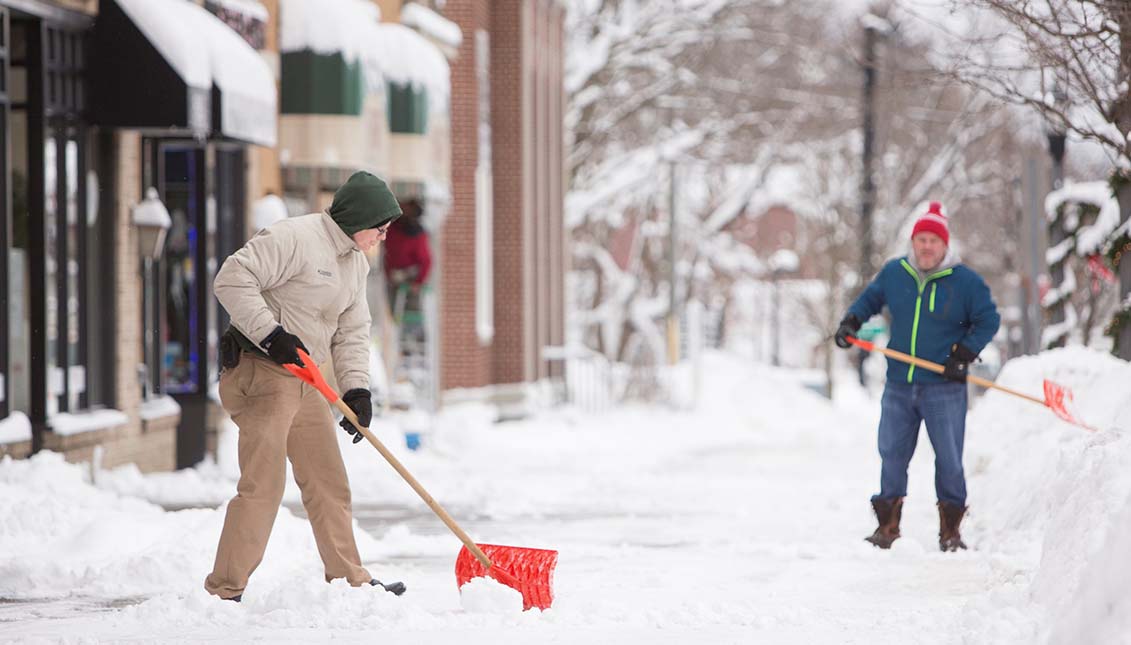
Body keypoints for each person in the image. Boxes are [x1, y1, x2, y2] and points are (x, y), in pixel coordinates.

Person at [205, 171, 406, 602]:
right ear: (359, 219)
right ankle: (225, 590)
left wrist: (356, 390)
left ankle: (351, 582)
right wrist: (272, 335)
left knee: (328, 480)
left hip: (305, 379)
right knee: (264, 484)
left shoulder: (356, 263)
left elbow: (353, 332)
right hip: (261, 370)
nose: (383, 238)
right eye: (381, 228)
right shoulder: (295, 237)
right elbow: (231, 278)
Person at [834, 201, 1000, 552]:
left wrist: (964, 354)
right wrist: (851, 322)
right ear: (914, 242)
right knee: (892, 452)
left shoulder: (965, 281)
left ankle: (951, 533)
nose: (926, 246)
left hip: (945, 387)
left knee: (949, 458)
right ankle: (887, 527)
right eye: (921, 239)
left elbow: (988, 319)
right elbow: (869, 300)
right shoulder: (895, 273)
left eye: (933, 240)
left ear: (944, 244)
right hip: (899, 384)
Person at [381, 198, 432, 321]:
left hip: (411, 277)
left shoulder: (417, 234)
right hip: (393, 275)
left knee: (410, 314)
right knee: (395, 312)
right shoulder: (393, 228)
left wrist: (419, 282)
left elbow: (426, 261)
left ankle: (412, 333)